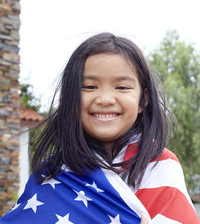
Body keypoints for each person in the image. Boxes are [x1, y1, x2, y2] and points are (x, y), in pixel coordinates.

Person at [1, 32, 199, 223]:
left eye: (122, 87)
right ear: (69, 98)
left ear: (142, 100)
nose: (105, 99)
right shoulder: (51, 173)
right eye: (89, 87)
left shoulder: (161, 166)